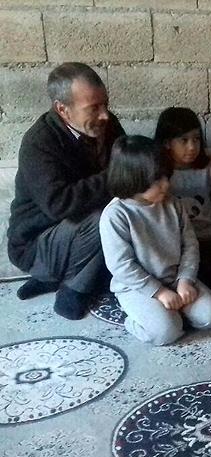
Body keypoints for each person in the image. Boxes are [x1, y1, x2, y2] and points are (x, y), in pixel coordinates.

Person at [7, 62, 125, 319]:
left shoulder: (107, 125)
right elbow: (59, 204)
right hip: (37, 243)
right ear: (63, 109)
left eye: (105, 104)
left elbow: (127, 166)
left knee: (134, 206)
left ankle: (59, 278)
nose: (105, 115)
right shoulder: (39, 142)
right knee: (104, 218)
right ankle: (72, 290)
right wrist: (116, 177)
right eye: (93, 108)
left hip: (76, 235)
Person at [99, 136, 211, 345]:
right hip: (138, 287)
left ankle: (172, 314)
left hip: (175, 278)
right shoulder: (115, 215)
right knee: (166, 333)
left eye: (166, 176)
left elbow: (190, 245)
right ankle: (135, 320)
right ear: (134, 179)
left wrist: (185, 280)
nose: (166, 184)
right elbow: (121, 266)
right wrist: (159, 292)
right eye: (157, 180)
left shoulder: (173, 204)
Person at [154, 107, 211, 305]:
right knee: (174, 278)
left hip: (205, 238)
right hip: (174, 242)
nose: (192, 147)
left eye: (196, 139)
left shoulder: (208, 170)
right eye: (183, 140)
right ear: (167, 142)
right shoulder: (159, 175)